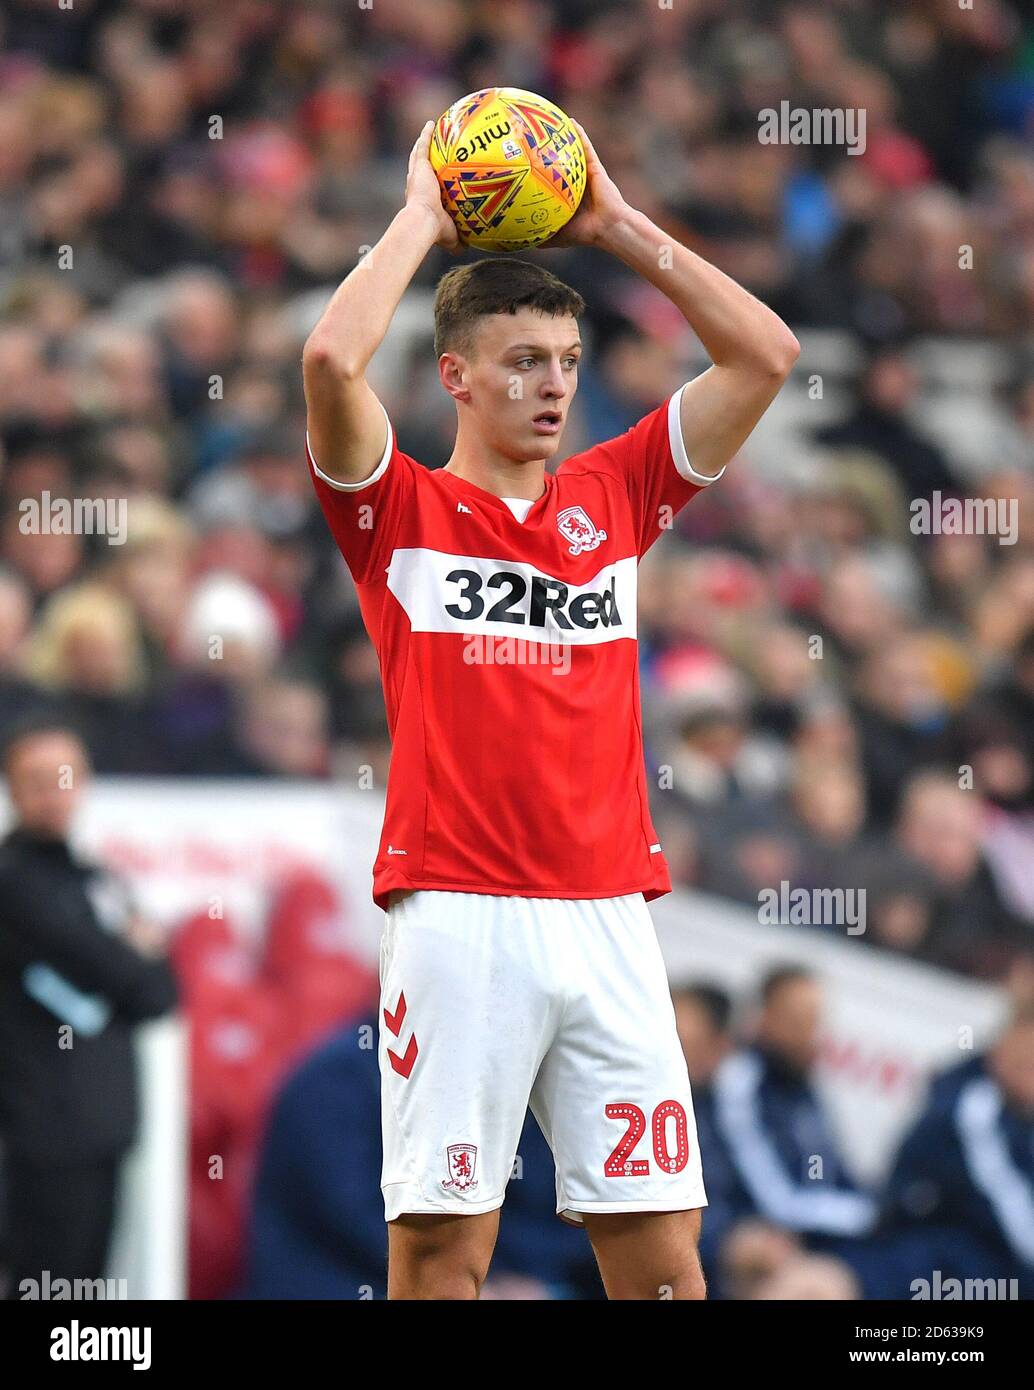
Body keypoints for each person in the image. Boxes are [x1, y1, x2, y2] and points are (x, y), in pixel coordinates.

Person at [302, 116, 799, 1300]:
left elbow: (764, 356)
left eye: (567, 361)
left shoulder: (611, 495)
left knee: (663, 1256)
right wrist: (419, 219)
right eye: (523, 360)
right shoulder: (397, 511)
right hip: (456, 909)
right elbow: (328, 363)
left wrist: (617, 225)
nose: (553, 385)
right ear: (455, 376)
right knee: (441, 1253)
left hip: (607, 911)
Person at [0, 714, 178, 1298]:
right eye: (37, 779)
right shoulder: (14, 882)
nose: (54, 793)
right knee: (45, 1286)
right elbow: (122, 971)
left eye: (65, 776)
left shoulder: (96, 878)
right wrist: (129, 953)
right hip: (38, 1134)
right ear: (11, 788)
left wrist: (128, 960)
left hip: (103, 1127)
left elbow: (158, 993)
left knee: (86, 1292)